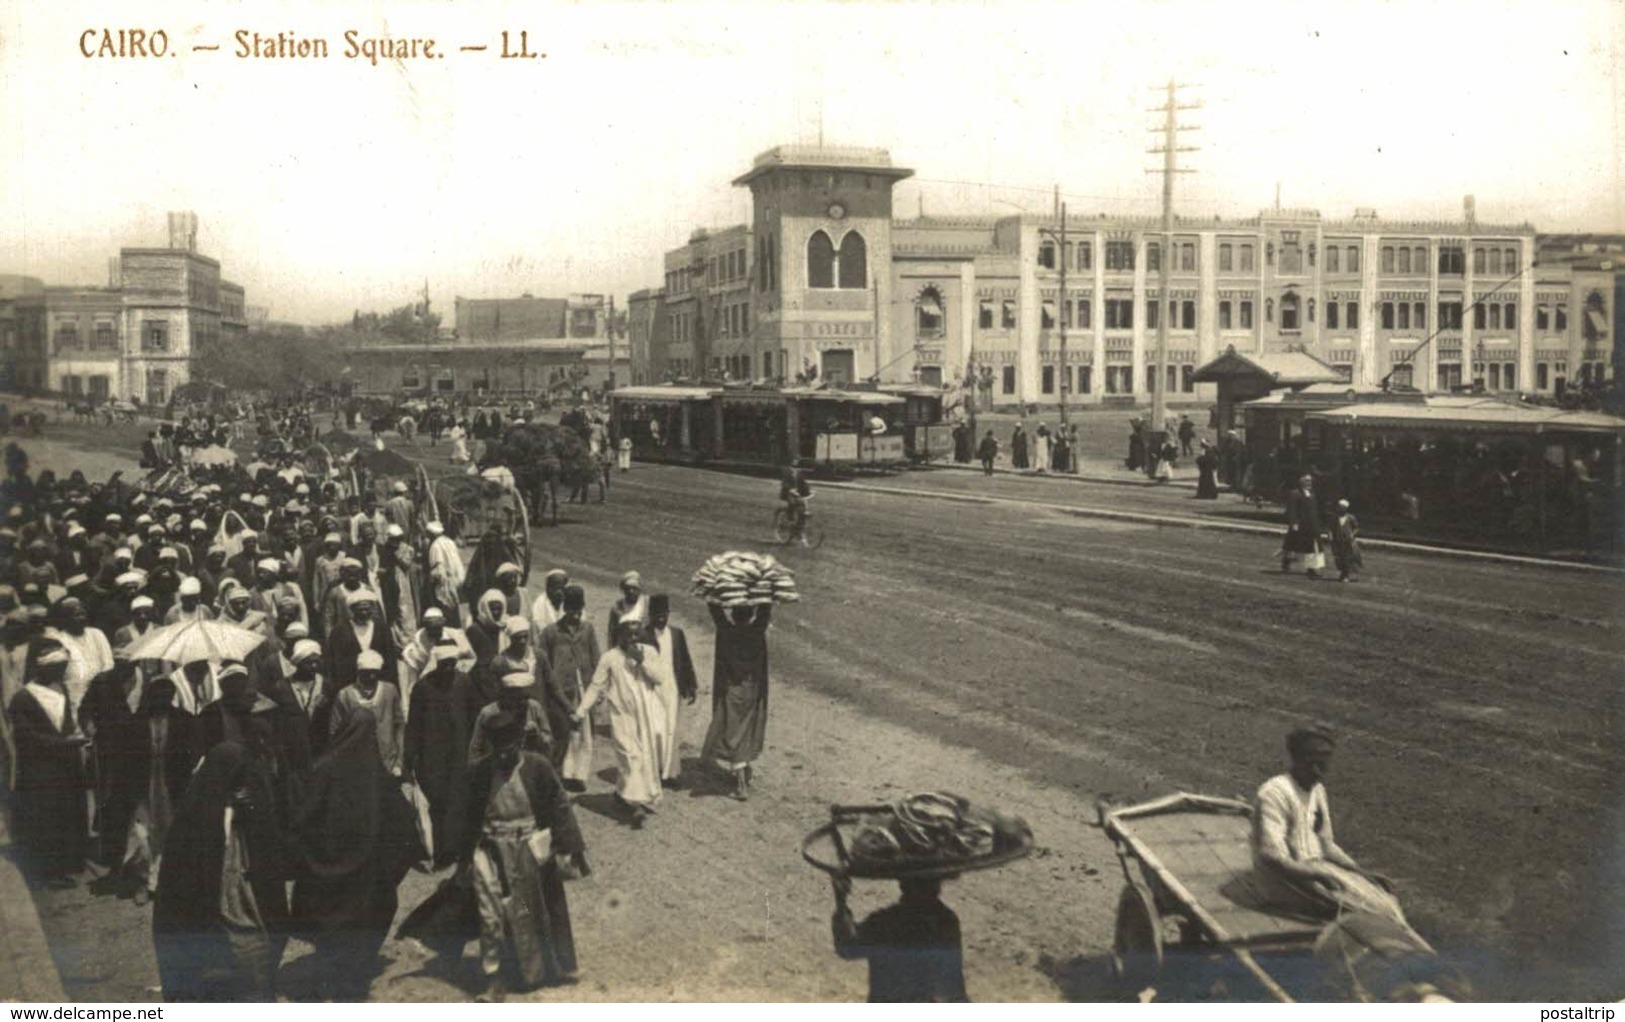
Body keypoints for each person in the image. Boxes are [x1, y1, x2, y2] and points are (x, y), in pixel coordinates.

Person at [291, 707, 423, 1001]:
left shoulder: (324, 766)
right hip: (367, 873)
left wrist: (313, 854)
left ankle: (329, 978)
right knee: (364, 921)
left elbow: (304, 817)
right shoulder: (378, 774)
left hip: (328, 867)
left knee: (331, 925)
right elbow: (403, 824)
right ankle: (352, 981)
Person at [151, 741, 298, 1002]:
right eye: (236, 780)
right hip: (209, 912)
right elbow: (182, 882)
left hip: (243, 903)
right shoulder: (195, 817)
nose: (242, 787)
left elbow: (271, 855)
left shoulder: (249, 808)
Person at [458, 709, 588, 1001]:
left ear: (519, 744)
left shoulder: (537, 767)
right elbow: (468, 818)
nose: (503, 757)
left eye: (509, 750)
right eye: (498, 751)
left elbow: (559, 806)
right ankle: (494, 978)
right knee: (491, 915)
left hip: (529, 848)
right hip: (490, 849)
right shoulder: (480, 772)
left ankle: (549, 967)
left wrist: (568, 846)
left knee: (533, 910)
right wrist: (464, 860)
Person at [1250, 725, 1407, 927]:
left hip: (1313, 871)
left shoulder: (1317, 791)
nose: (1318, 772)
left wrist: (1359, 872)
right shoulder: (1274, 793)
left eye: (1323, 766)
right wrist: (1317, 874)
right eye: (1311, 764)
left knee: (1385, 897)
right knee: (1372, 911)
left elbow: (1325, 844)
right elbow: (1271, 856)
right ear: (1295, 759)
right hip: (1281, 881)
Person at [9, 642, 89, 886]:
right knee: (45, 817)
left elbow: (65, 723)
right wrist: (63, 743)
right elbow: (26, 736)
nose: (62, 673)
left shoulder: (61, 688)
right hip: (40, 768)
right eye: (57, 668)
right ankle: (48, 872)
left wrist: (73, 737)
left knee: (65, 813)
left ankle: (67, 862)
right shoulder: (23, 697)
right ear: (42, 670)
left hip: (63, 764)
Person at [574, 617, 665, 828]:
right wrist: (581, 711)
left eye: (636, 634)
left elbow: (660, 678)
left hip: (645, 714)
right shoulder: (610, 658)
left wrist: (642, 662)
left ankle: (621, 793)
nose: (633, 638)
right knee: (629, 755)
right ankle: (636, 807)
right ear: (619, 635)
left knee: (643, 757)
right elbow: (596, 687)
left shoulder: (649, 652)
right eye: (628, 634)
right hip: (621, 715)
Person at [831, 874, 969, 1003]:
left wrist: (841, 901)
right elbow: (953, 989)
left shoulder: (884, 921)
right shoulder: (945, 921)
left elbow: (847, 948)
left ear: (903, 885)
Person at [700, 602, 772, 801]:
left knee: (734, 734)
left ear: (733, 613)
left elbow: (716, 614)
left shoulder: (727, 632)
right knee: (745, 731)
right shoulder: (757, 632)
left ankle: (741, 787)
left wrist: (712, 597)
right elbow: (765, 613)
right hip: (751, 690)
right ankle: (745, 770)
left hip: (732, 690)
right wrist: (765, 600)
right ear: (751, 615)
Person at [536, 585, 599, 788]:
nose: (575, 614)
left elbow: (596, 657)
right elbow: (542, 663)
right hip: (561, 690)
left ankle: (577, 775)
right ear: (565, 609)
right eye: (571, 610)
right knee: (562, 731)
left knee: (584, 733)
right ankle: (561, 774)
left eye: (578, 610)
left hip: (584, 687)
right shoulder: (551, 632)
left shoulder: (587, 629)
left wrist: (599, 687)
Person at [642, 594, 697, 784]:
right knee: (655, 730)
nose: (661, 619)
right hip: (652, 690)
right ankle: (653, 770)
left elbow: (685, 660)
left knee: (671, 730)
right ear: (650, 614)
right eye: (657, 615)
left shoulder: (676, 634)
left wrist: (691, 685)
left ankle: (670, 772)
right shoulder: (644, 635)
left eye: (664, 614)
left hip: (672, 688)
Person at [329, 650, 404, 776]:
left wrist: (399, 761)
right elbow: (334, 732)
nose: (371, 677)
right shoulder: (345, 695)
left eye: (375, 673)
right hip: (356, 764)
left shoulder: (390, 690)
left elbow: (399, 726)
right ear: (358, 672)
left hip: (387, 762)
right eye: (367, 673)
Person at [1281, 474, 1324, 578]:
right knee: (1291, 545)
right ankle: (1286, 562)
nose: (1309, 483)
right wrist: (1294, 523)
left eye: (1310, 481)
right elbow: (1292, 510)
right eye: (1307, 481)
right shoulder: (1295, 493)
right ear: (1301, 482)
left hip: (1312, 525)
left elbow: (1316, 510)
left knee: (1312, 546)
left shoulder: (1313, 494)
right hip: (1300, 524)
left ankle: (1311, 568)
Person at [423, 521, 465, 623]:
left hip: (445, 583)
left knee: (445, 611)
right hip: (457, 580)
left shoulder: (435, 546)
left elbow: (439, 570)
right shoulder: (449, 542)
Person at [1330, 499, 1363, 583]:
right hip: (1337, 540)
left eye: (1342, 507)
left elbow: (1356, 528)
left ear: (1345, 508)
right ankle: (1342, 573)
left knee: (1347, 558)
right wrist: (1330, 535)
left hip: (1348, 540)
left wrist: (1352, 534)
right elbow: (1331, 527)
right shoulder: (1334, 517)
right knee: (1339, 557)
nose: (1340, 509)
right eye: (1339, 507)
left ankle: (1346, 575)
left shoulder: (1350, 517)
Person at [779, 468, 812, 544]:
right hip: (787, 493)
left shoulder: (799, 472)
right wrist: (789, 489)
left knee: (804, 509)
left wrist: (808, 490)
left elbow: (803, 483)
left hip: (797, 494)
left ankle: (799, 530)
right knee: (793, 504)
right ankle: (790, 519)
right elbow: (785, 483)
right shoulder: (786, 471)